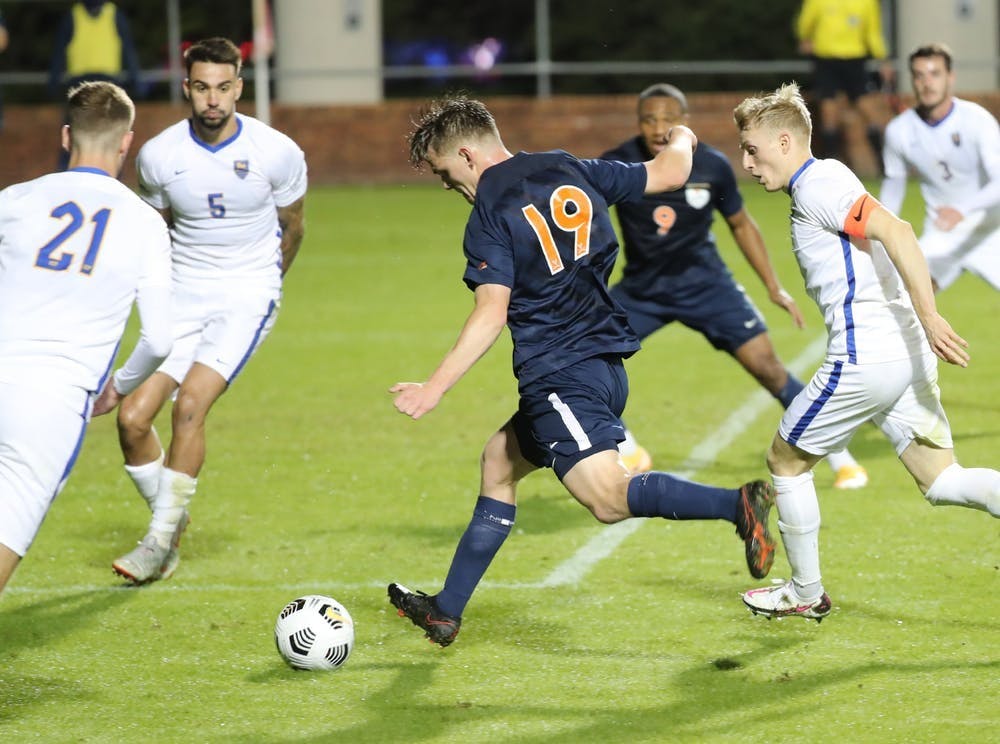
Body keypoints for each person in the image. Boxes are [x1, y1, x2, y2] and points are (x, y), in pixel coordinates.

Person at [386, 95, 778, 648]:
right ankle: (445, 610)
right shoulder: (569, 166)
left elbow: (491, 312)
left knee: (607, 499)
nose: (451, 187)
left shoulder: (489, 214)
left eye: (446, 174)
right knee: (498, 463)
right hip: (603, 366)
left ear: (468, 156)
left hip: (559, 376)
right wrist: (684, 135)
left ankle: (736, 505)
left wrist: (435, 387)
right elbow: (670, 172)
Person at [733, 82, 999, 622]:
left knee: (785, 461)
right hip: (901, 352)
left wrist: (931, 314)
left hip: (866, 357)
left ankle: (805, 592)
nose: (747, 164)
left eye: (753, 151)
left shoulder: (819, 185)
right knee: (942, 480)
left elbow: (898, 231)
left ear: (784, 142)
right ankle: (804, 590)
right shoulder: (824, 178)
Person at [110, 37, 307, 585]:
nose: (213, 99)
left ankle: (158, 543)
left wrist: (264, 288)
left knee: (190, 405)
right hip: (183, 296)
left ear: (239, 87)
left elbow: (293, 226)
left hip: (246, 295)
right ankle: (171, 518)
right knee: (131, 420)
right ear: (187, 88)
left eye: (223, 87)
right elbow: (155, 233)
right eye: (202, 88)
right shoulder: (159, 156)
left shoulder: (276, 151)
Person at [603, 83, 867, 490]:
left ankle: (841, 459)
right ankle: (630, 449)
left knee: (769, 369)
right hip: (642, 291)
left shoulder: (711, 166)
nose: (658, 127)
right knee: (583, 357)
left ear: (685, 122)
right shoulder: (619, 163)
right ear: (638, 123)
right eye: (649, 119)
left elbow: (741, 224)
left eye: (668, 118)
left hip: (708, 287)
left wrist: (774, 287)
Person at [0, 81, 172, 596]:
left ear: (66, 135)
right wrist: (119, 387)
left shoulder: (13, 200)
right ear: (127, 142)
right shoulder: (143, 222)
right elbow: (158, 339)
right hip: (50, 401)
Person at [879, 43, 1000, 293]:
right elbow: (893, 187)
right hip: (943, 233)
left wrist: (962, 210)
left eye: (935, 74)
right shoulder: (899, 131)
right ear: (912, 80)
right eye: (919, 75)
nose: (927, 83)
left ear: (950, 77)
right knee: (900, 297)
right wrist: (880, 232)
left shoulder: (977, 120)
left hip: (991, 229)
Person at [796, 0, 894, 165]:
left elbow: (873, 32)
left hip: (855, 60)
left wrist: (882, 58)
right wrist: (805, 38)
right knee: (829, 111)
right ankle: (830, 163)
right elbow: (805, 22)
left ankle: (884, 162)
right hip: (826, 59)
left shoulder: (868, 3)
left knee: (868, 108)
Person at [48, 0, 144, 169]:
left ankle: (106, 177)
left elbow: (127, 48)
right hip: (81, 84)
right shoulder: (73, 16)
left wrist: (53, 83)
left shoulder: (113, 15)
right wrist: (136, 80)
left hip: (104, 82)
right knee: (76, 135)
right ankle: (67, 174)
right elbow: (59, 50)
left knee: (109, 135)